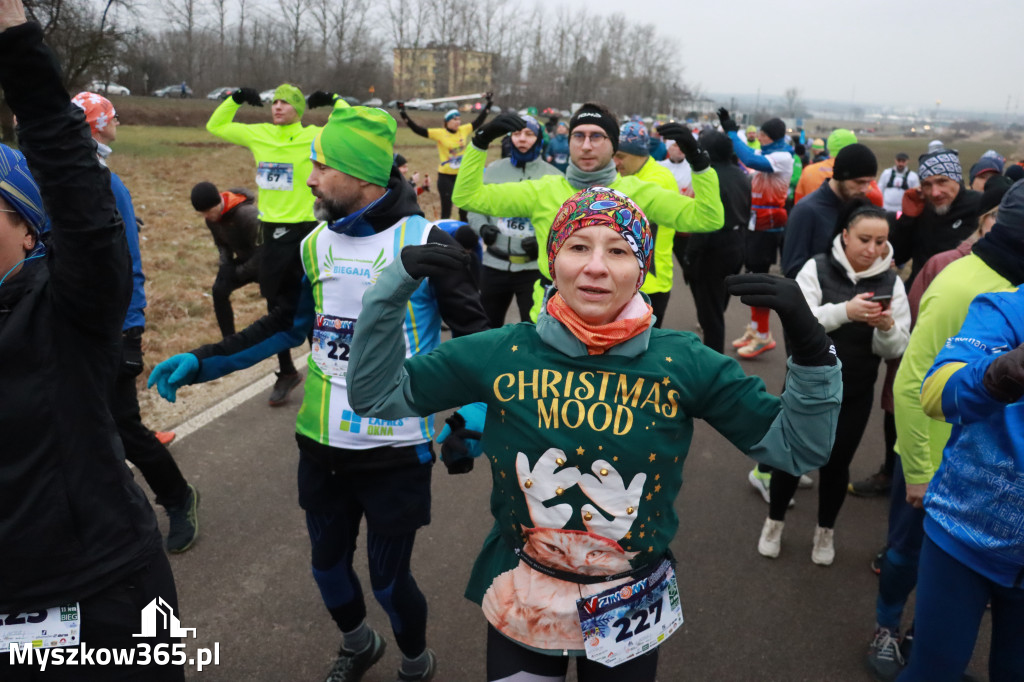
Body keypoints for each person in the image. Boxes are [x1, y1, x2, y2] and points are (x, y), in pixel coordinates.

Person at [346, 185, 842, 682]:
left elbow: (798, 447)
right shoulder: (499, 352)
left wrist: (812, 346)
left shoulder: (684, 362)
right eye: (579, 247)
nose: (597, 267)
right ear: (553, 260)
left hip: (629, 600)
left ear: (642, 267)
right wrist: (394, 287)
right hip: (525, 588)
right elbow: (376, 395)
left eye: (619, 250)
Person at [149, 105, 489, 682]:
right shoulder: (314, 244)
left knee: (388, 580)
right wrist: (203, 361)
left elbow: (478, 345)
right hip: (320, 444)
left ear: (361, 176)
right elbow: (287, 326)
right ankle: (359, 645)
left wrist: (471, 423)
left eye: (321, 166)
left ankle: (415, 662)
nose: (308, 178)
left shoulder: (431, 240)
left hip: (395, 448)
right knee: (327, 567)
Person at [0, 5, 182, 679]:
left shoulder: (62, 308)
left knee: (129, 427)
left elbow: (81, 201)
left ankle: (180, 499)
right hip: (10, 607)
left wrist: (17, 43)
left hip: (99, 596)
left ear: (28, 228)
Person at [865, 178, 1024, 681]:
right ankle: (886, 629)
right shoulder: (968, 285)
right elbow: (920, 380)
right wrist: (916, 468)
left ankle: (921, 635)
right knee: (903, 553)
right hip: (949, 489)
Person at [69, 90, 200, 553]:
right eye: (113, 118)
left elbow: (130, 262)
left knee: (123, 425)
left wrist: (131, 329)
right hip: (69, 322)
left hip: (112, 327)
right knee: (77, 426)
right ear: (96, 126)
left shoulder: (108, 184)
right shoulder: (60, 178)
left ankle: (179, 497)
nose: (118, 124)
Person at [451, 103, 725, 322]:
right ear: (568, 142)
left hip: (616, 321)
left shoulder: (639, 193)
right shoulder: (543, 191)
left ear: (614, 144)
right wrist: (479, 143)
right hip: (551, 317)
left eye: (597, 136)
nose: (586, 146)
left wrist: (699, 162)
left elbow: (707, 217)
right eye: (578, 136)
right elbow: (467, 196)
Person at [758, 200, 910, 565]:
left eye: (880, 241)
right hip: (805, 386)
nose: (872, 249)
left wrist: (886, 328)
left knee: (837, 464)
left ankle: (825, 531)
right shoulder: (817, 266)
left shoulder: (892, 281)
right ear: (844, 235)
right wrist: (846, 311)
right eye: (864, 239)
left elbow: (898, 346)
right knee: (789, 459)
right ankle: (773, 522)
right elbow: (799, 319)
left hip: (855, 390)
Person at [903, 287, 1024, 682]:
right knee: (932, 672)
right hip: (963, 532)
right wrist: (998, 375)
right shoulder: (1008, 307)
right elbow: (937, 391)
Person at [206, 82, 342, 406]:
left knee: (317, 302)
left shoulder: (313, 136)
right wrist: (234, 99)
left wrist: (335, 99)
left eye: (286, 102)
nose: (277, 106)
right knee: (275, 304)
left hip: (308, 228)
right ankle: (286, 372)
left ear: (298, 108)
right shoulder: (260, 133)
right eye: (274, 101)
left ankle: (323, 371)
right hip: (271, 229)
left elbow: (352, 124)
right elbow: (216, 125)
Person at [468, 114, 560, 327]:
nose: (522, 139)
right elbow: (473, 207)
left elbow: (562, 223)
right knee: (486, 328)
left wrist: (543, 244)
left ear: (538, 139)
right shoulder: (492, 171)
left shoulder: (555, 177)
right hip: (493, 265)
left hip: (532, 270)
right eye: (517, 133)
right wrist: (482, 228)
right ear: (510, 138)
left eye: (529, 134)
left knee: (535, 329)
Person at [719, 107, 794, 359]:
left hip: (768, 223)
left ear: (771, 136)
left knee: (759, 279)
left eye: (762, 134)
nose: (758, 137)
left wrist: (732, 133)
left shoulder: (783, 156)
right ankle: (755, 329)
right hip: (754, 221)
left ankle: (764, 335)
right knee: (752, 276)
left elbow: (751, 160)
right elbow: (749, 156)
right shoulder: (768, 151)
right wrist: (732, 135)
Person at [682, 130, 749, 353]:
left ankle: (713, 363)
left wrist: (689, 257)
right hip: (737, 243)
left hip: (713, 248)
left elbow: (704, 225)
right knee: (719, 304)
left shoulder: (710, 177)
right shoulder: (741, 174)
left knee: (711, 315)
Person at [613, 120, 685, 326]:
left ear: (640, 154)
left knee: (641, 352)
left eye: (621, 156)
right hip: (625, 279)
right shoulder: (627, 173)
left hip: (651, 283)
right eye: (613, 156)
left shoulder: (658, 179)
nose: (615, 162)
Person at [780, 143, 878, 278]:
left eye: (869, 182)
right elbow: (792, 269)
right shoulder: (806, 210)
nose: (865, 189)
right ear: (840, 177)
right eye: (859, 182)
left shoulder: (861, 206)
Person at [892, 148, 980, 288]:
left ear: (957, 179)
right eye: (927, 185)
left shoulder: (979, 207)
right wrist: (907, 218)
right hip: (919, 294)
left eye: (942, 181)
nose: (935, 193)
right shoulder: (922, 208)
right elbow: (898, 256)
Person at [398, 95, 493, 220]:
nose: (458, 122)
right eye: (454, 119)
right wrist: (403, 113)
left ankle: (463, 235)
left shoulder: (463, 130)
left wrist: (488, 105)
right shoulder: (440, 133)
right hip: (445, 176)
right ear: (447, 122)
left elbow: (479, 121)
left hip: (462, 175)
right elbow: (417, 129)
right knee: (446, 210)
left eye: (459, 119)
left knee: (464, 209)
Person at [190, 181, 262, 336]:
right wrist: (226, 266)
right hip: (245, 261)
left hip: (265, 262)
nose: (207, 216)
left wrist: (238, 273)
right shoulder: (211, 219)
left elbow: (264, 252)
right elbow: (221, 244)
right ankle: (228, 341)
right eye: (202, 213)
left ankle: (285, 360)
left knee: (275, 306)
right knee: (219, 290)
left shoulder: (247, 214)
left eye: (209, 211)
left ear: (218, 203)